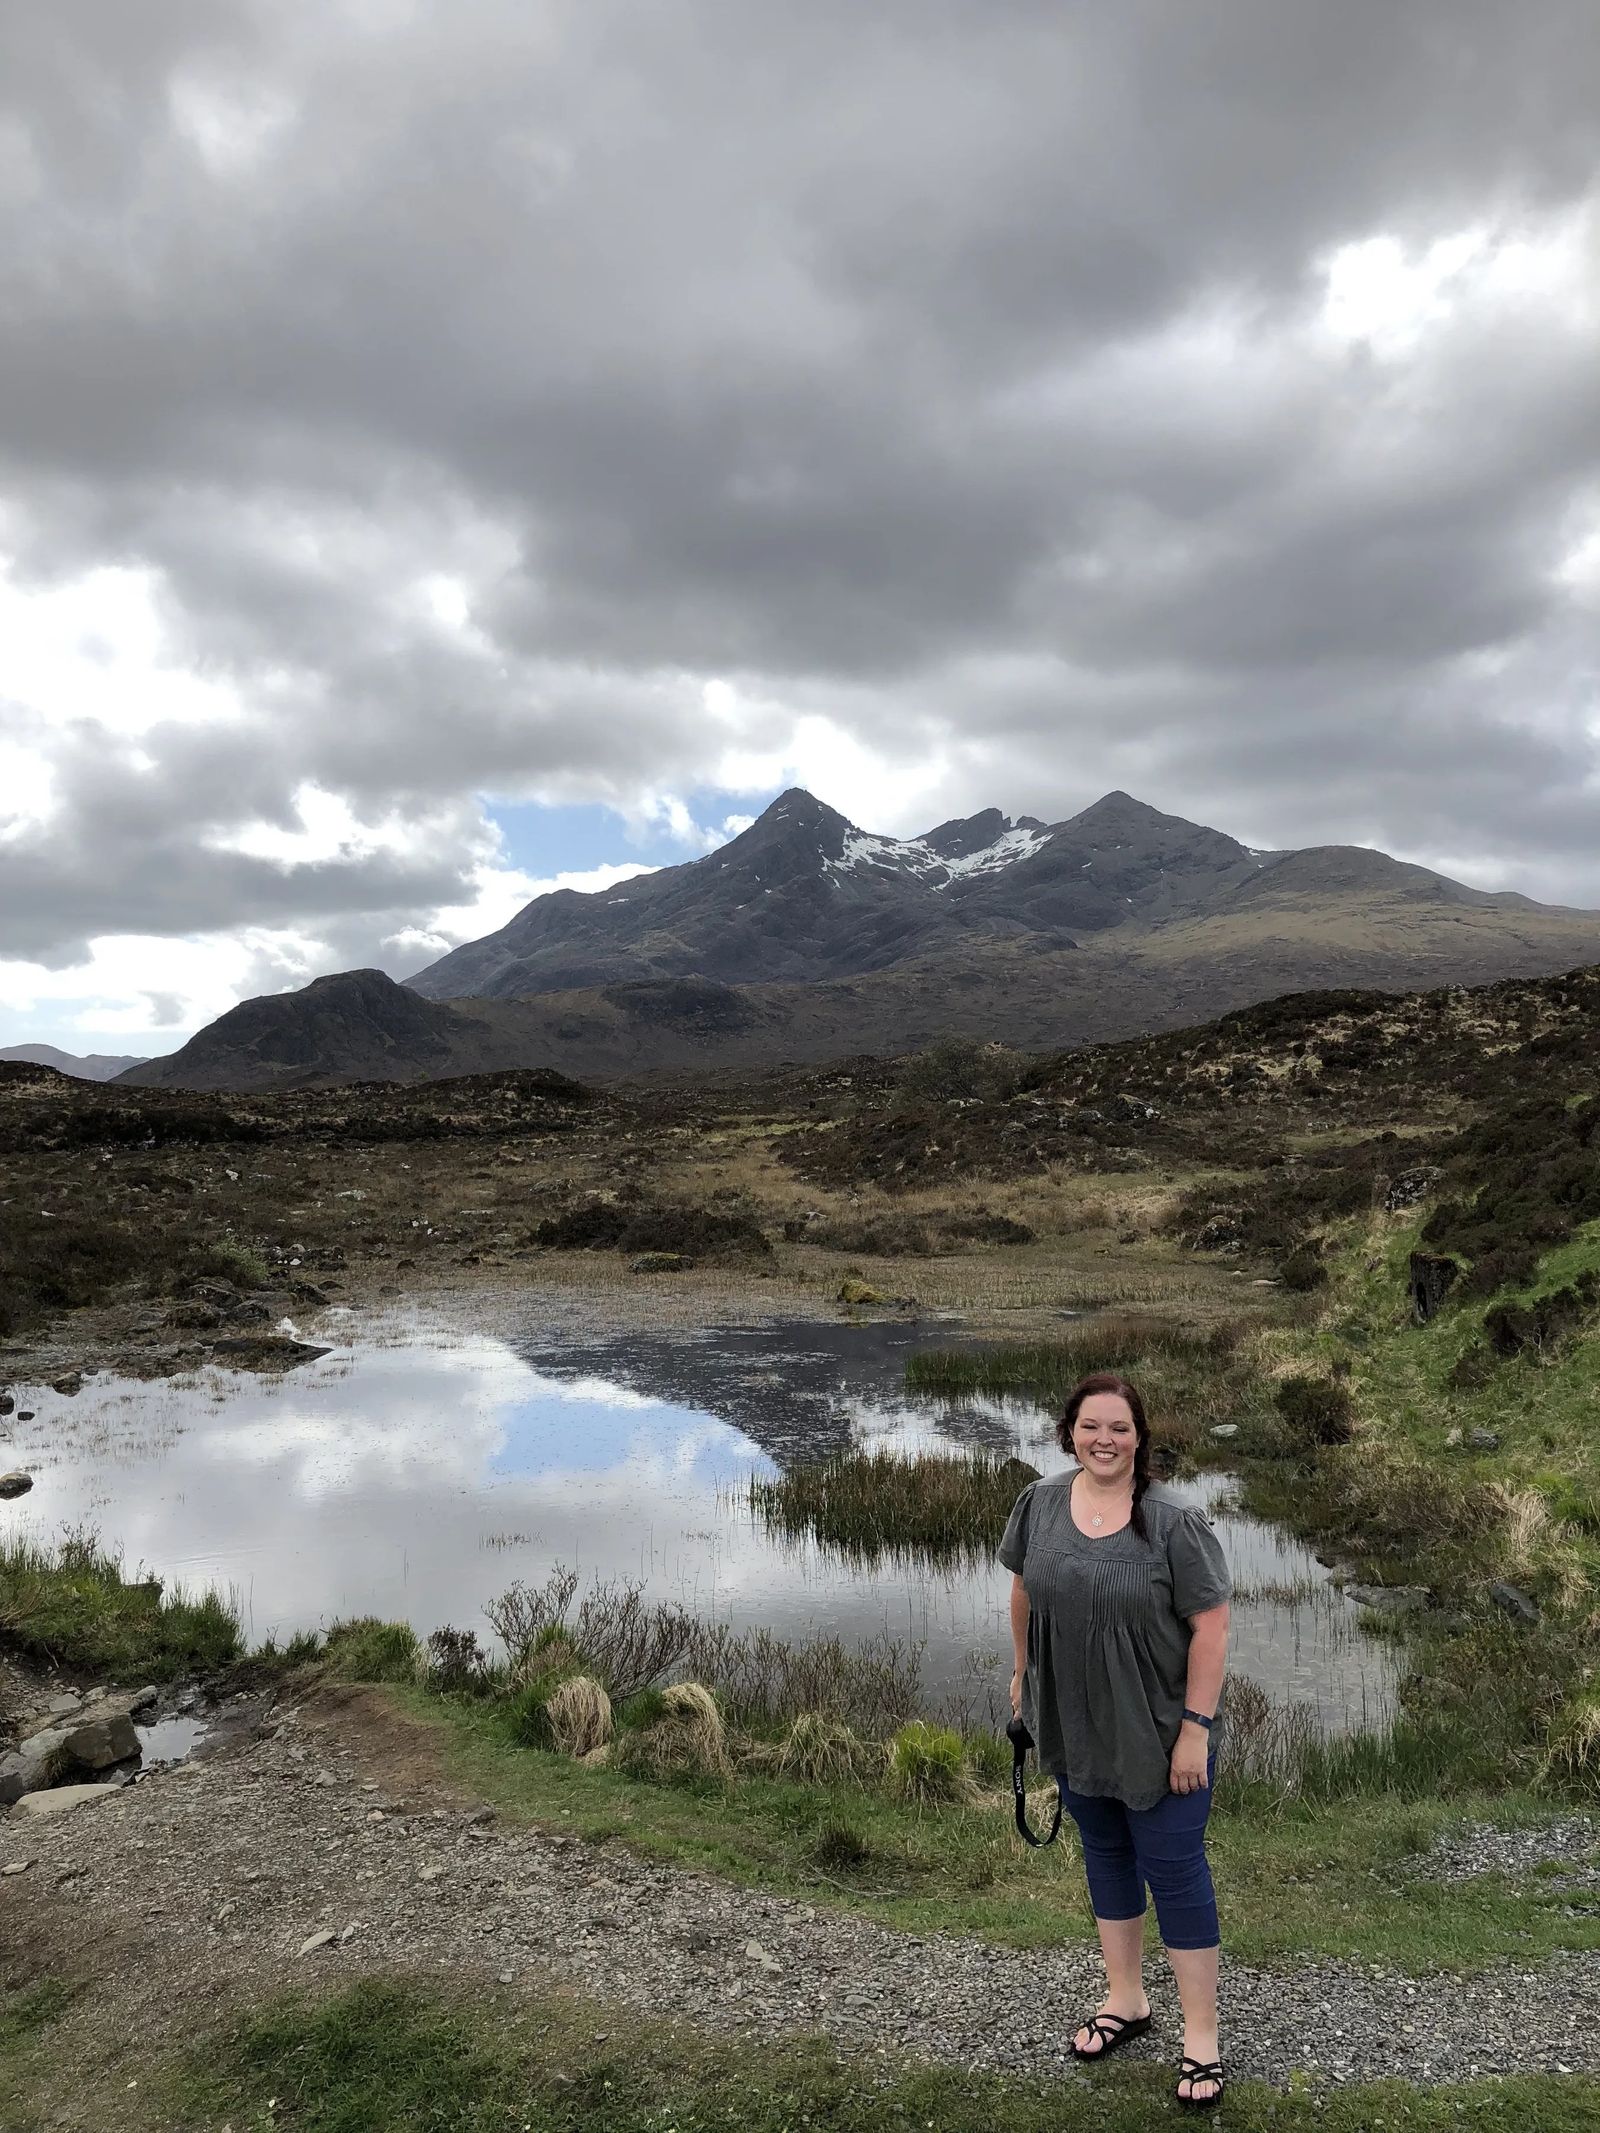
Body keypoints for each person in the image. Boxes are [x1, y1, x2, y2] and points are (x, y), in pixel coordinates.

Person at [1000, 1371, 1231, 2110]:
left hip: (1162, 1730)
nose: (1104, 1439)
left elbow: (1213, 1628)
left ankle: (1202, 2039)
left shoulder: (1174, 1522)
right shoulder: (1038, 1503)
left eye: (1119, 1427)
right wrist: (1022, 1672)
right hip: (1074, 1719)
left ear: (1140, 1437)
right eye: (1090, 1426)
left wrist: (1195, 1729)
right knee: (1104, 1855)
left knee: (1175, 1869)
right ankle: (1127, 2000)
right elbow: (1023, 1590)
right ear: (1070, 1431)